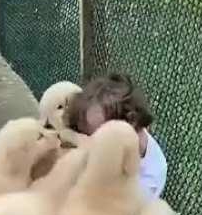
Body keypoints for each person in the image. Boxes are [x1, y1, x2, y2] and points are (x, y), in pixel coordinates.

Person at [65, 72, 167, 200]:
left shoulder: (150, 177)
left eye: (97, 136)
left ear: (131, 124)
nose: (88, 142)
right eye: (86, 135)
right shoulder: (122, 139)